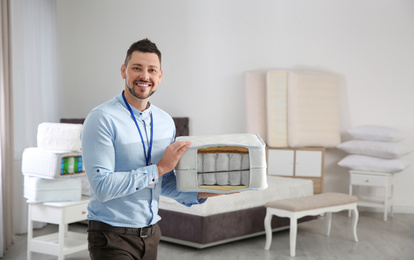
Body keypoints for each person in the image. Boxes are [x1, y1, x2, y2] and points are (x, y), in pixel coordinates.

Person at [81, 38, 216, 260]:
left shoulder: (165, 122)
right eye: (137, 68)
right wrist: (160, 168)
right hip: (110, 236)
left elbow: (165, 183)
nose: (144, 76)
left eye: (151, 70)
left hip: (151, 234)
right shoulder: (102, 118)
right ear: (124, 71)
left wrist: (210, 190)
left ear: (160, 76)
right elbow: (102, 188)